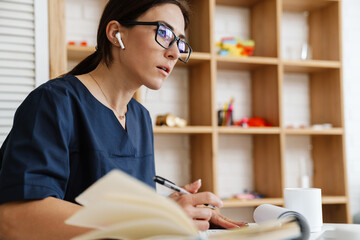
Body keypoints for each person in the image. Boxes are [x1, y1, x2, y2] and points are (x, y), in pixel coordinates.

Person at [0, 0, 246, 239]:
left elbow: (131, 219)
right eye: (164, 33)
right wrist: (157, 216)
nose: (173, 52)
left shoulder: (140, 117)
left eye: (180, 43)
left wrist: (172, 213)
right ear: (116, 33)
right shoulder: (54, 102)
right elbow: (15, 219)